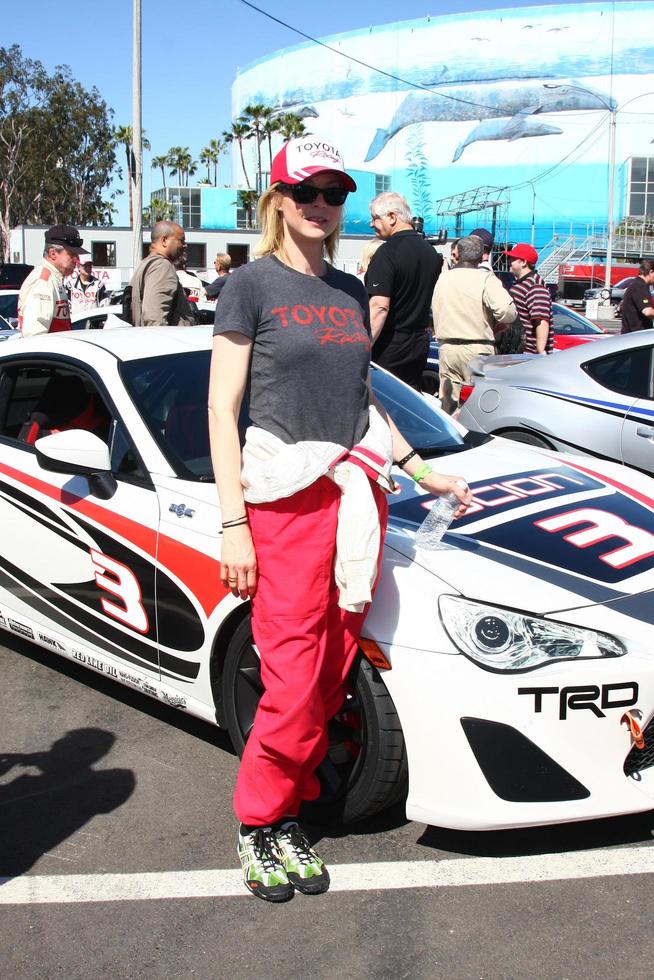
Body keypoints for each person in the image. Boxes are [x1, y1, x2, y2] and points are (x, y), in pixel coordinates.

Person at [208, 136, 472, 904]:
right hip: (283, 503)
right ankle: (260, 822)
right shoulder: (250, 285)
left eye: (335, 193)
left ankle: (288, 811)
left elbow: (362, 406)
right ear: (279, 200)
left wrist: (425, 470)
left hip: (356, 500)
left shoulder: (353, 292)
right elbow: (222, 412)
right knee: (291, 678)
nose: (322, 203)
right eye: (308, 190)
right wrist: (233, 525)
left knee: (328, 677)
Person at [366, 191, 443, 389]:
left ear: (392, 217)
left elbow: (379, 306)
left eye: (375, 218)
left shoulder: (387, 252)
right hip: (418, 343)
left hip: (389, 345)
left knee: (382, 407)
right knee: (408, 404)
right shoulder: (430, 253)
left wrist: (362, 347)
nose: (371, 224)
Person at [432, 236, 517, 414]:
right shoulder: (485, 279)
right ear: (481, 258)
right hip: (477, 348)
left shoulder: (443, 279)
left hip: (447, 348)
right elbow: (507, 312)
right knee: (476, 406)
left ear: (458, 254)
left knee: (448, 404)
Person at [18, 225, 88, 337]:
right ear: (53, 253)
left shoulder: (54, 279)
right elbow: (35, 335)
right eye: (72, 254)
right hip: (49, 353)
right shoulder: (44, 281)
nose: (77, 260)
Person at [129, 220, 196, 326]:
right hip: (166, 340)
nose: (185, 245)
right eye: (181, 241)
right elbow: (154, 317)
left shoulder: (146, 264)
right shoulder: (162, 267)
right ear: (164, 241)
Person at [505, 243, 553, 355]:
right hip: (517, 351)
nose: (509, 262)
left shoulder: (535, 286)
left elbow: (541, 320)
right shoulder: (520, 284)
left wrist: (540, 351)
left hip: (528, 355)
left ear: (523, 262)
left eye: (512, 259)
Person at [66, 258, 107, 324]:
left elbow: (104, 305)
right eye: (85, 266)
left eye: (90, 266)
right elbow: (67, 306)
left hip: (94, 323)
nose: (88, 268)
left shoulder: (99, 284)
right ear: (78, 267)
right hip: (76, 323)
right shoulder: (70, 285)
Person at [620, 259, 654, 333]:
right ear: (651, 272)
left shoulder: (636, 285)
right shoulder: (640, 286)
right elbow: (647, 311)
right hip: (636, 337)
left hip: (633, 336)